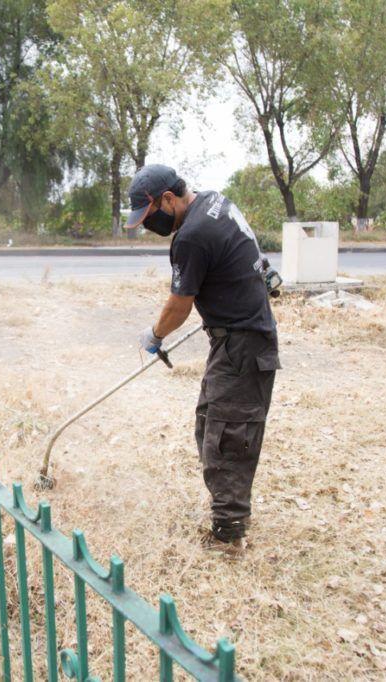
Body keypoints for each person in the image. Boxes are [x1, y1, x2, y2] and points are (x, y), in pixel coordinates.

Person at [124, 164, 279, 547]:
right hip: (233, 341)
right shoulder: (215, 201)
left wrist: (155, 335)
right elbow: (245, 247)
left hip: (244, 345)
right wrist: (263, 273)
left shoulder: (191, 236)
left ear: (167, 200)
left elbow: (179, 305)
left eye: (149, 217)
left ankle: (229, 533)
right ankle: (226, 509)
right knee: (210, 421)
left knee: (228, 434)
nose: (148, 226)